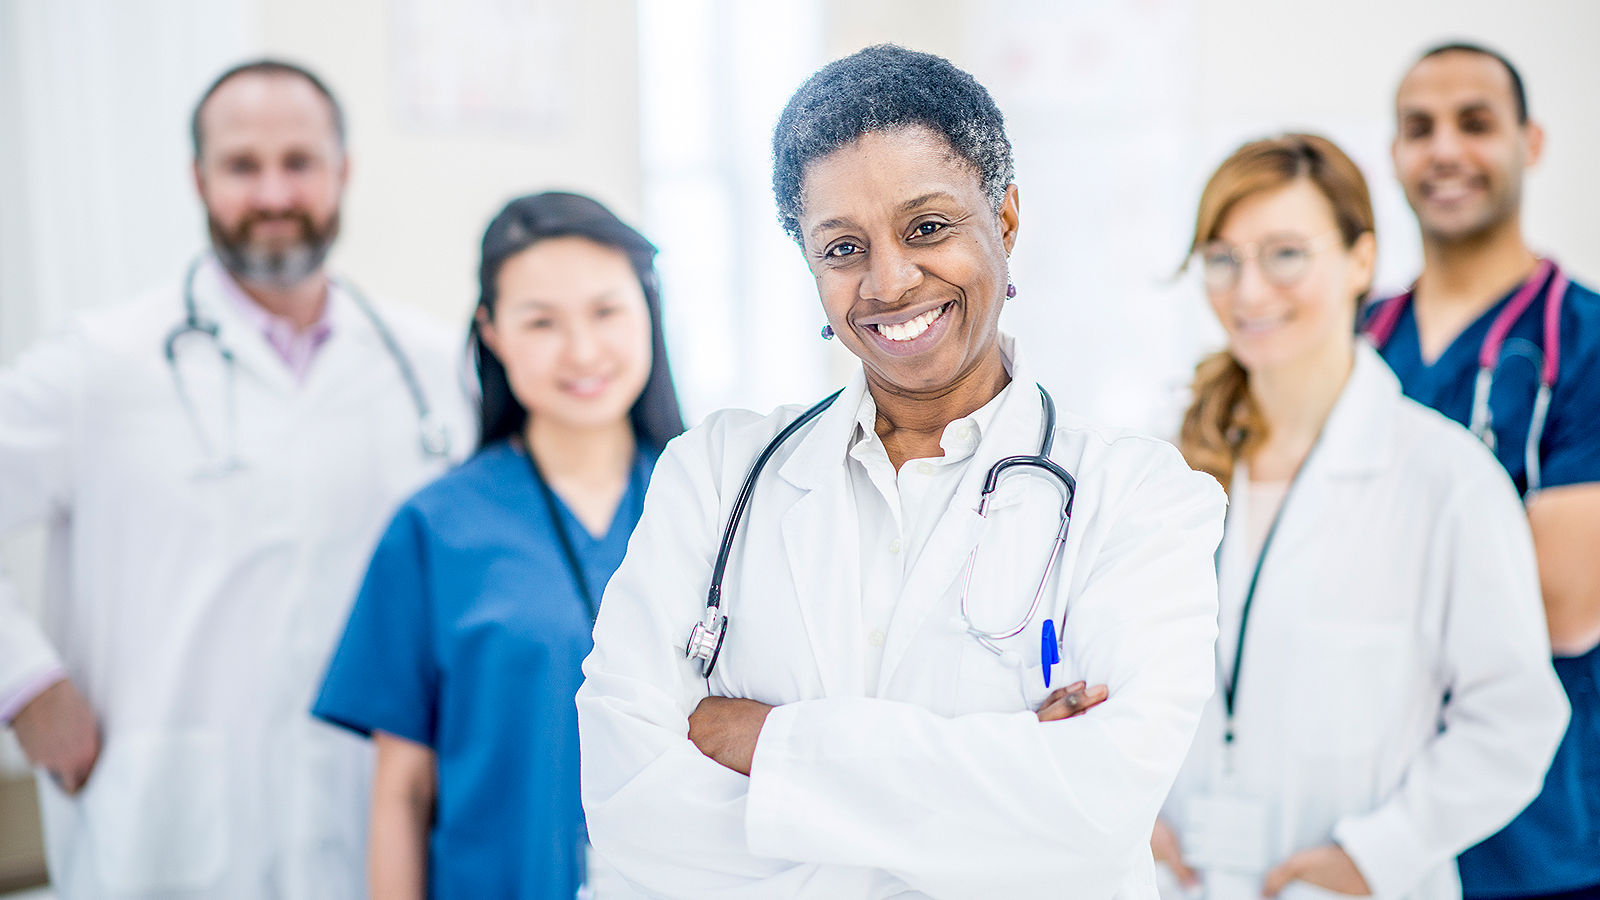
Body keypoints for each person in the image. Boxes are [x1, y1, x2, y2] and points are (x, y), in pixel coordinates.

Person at [576, 44, 1227, 900]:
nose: (889, 280)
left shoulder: (1141, 498)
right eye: (843, 246)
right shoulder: (713, 474)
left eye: (927, 228)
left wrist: (762, 742)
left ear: (1006, 220)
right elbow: (630, 806)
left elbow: (1096, 811)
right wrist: (997, 780)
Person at [0, 60, 470, 898]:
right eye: (242, 166)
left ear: (343, 172)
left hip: (369, 819)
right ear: (198, 180)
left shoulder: (428, 366)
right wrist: (24, 682)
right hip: (164, 822)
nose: (273, 193)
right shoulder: (99, 364)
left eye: (299, 162)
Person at [1151, 134, 1567, 900]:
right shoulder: (1160, 468)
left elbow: (1515, 720)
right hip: (1178, 878)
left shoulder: (1446, 480)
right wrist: (1127, 804)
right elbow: (1106, 671)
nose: (1248, 292)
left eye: (1284, 254)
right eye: (1222, 258)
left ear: (1361, 262)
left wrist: (1379, 854)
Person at [311, 192, 683, 900]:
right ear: (492, 331)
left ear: (647, 308)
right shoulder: (435, 528)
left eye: (606, 311)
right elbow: (402, 791)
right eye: (541, 321)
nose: (581, 351)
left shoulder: (720, 505)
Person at [1363, 44, 1600, 900]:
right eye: (1419, 129)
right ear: (1394, 153)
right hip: (1364, 820)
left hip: (1536, 841)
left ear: (1529, 143)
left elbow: (1562, 606)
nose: (1446, 151)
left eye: (1476, 123)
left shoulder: (1586, 343)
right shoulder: (1353, 341)